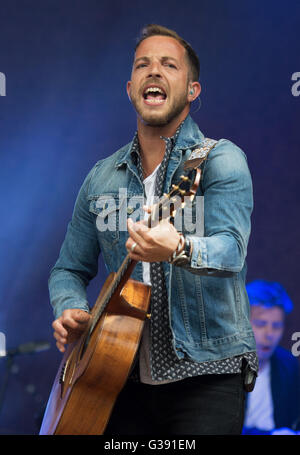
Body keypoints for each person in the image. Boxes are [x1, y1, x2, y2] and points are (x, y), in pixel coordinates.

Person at [49, 24, 258, 435]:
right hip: (116, 376)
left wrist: (178, 246)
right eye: (143, 64)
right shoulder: (101, 177)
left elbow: (231, 251)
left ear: (192, 90)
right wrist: (70, 308)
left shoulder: (221, 160)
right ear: (131, 88)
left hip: (207, 372)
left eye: (168, 65)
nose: (154, 71)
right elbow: (68, 269)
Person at [243, 280, 300, 435]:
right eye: (261, 324)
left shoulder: (288, 365)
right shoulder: (218, 367)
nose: (269, 335)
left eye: (276, 327)